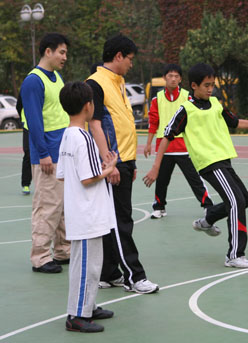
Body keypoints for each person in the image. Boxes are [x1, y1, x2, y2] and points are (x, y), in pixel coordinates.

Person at [143, 63, 248, 268]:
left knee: (245, 200)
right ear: (194, 86)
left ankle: (208, 219)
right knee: (235, 201)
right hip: (208, 163)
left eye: (212, 85)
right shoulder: (186, 110)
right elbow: (167, 136)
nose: (210, 89)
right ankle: (234, 254)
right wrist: (156, 166)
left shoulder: (216, 103)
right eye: (206, 85)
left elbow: (235, 122)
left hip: (224, 160)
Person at [87, 34, 158, 294]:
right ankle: (134, 276)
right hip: (111, 164)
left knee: (114, 220)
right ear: (118, 56)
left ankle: (108, 273)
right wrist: (110, 163)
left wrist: (131, 161)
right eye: (129, 59)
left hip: (124, 161)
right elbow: (95, 123)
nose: (131, 63)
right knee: (120, 221)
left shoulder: (118, 82)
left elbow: (122, 122)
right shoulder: (95, 83)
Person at [57, 82, 116, 333]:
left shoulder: (67, 135)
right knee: (86, 268)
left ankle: (88, 306)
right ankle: (76, 316)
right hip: (87, 213)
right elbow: (88, 177)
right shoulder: (83, 138)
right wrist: (110, 168)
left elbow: (63, 175)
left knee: (91, 265)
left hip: (81, 211)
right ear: (87, 106)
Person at [20, 33, 71, 273]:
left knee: (63, 206)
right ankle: (40, 257)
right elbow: (34, 120)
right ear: (47, 52)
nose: (64, 57)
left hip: (62, 153)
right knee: (47, 206)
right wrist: (43, 154)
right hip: (47, 155)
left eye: (66, 53)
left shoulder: (57, 77)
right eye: (61, 52)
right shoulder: (33, 81)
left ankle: (63, 250)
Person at [144, 63, 213, 219]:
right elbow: (153, 121)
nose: (173, 79)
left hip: (183, 145)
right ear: (164, 78)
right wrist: (148, 143)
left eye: (176, 76)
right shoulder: (157, 99)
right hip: (164, 146)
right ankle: (159, 207)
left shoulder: (188, 96)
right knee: (161, 180)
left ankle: (208, 206)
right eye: (170, 76)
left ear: (181, 79)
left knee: (194, 178)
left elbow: (196, 119)